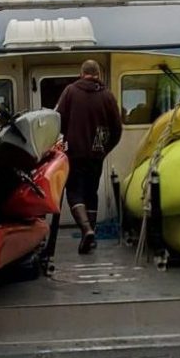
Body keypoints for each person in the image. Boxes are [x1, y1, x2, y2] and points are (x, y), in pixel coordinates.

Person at [54, 58, 122, 253]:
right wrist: (104, 149)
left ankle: (86, 230)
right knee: (91, 193)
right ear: (98, 74)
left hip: (73, 152)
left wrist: (59, 142)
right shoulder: (108, 96)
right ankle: (90, 235)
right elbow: (117, 129)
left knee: (74, 192)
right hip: (96, 154)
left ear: (81, 73)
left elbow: (58, 120)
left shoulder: (70, 92)